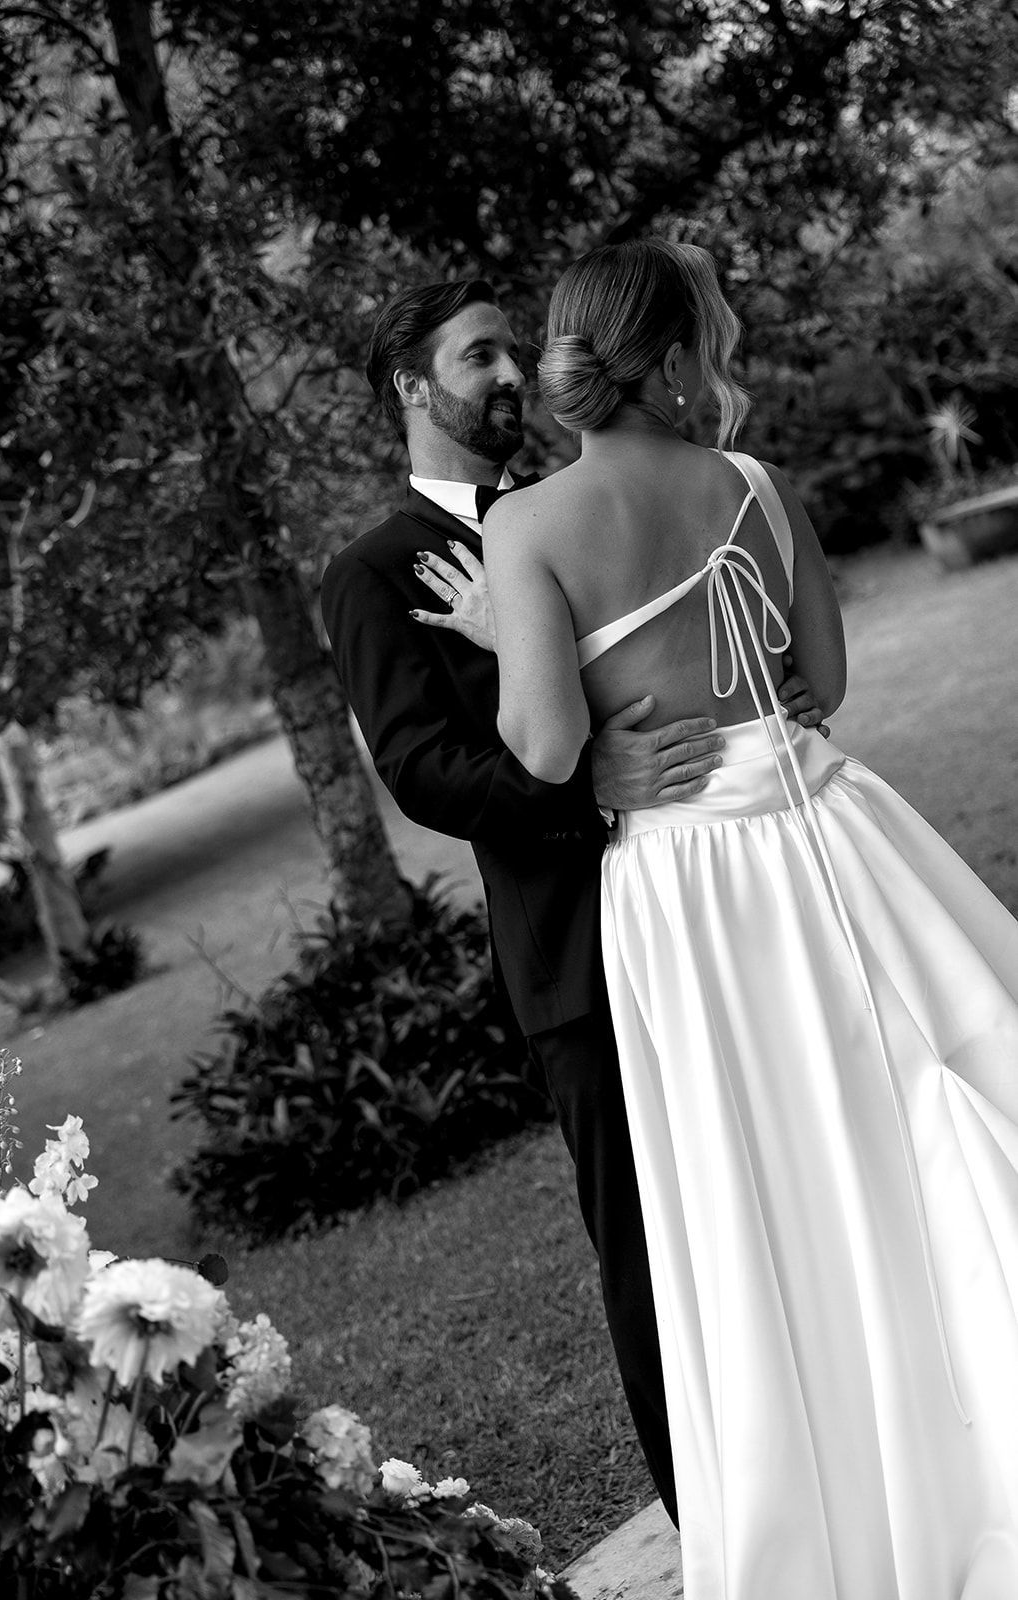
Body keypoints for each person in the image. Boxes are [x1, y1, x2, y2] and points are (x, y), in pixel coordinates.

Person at [484, 236, 1018, 1600]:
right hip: (826, 835)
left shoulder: (525, 530)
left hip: (685, 886)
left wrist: (508, 636)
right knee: (906, 1121)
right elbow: (819, 678)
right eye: (710, 337)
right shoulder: (752, 486)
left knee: (758, 1187)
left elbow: (543, 750)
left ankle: (838, 1493)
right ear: (669, 360)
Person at [320, 278, 827, 1529]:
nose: (507, 377)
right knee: (654, 1247)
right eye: (477, 356)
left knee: (778, 1180)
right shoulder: (371, 573)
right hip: (578, 951)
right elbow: (422, 766)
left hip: (722, 888)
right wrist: (578, 781)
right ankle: (715, 1518)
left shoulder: (568, 507)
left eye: (511, 352)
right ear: (410, 386)